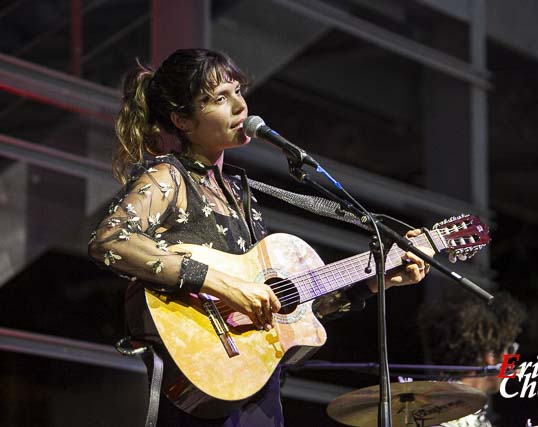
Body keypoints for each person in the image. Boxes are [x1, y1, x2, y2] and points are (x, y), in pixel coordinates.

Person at [88, 48, 433, 426]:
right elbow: (110, 241)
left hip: (256, 389)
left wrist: (375, 280)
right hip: (200, 382)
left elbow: (292, 313)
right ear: (182, 120)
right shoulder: (169, 177)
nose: (240, 106)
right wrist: (223, 285)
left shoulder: (240, 194)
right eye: (220, 98)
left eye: (238, 91)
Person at [417, 291, 526, 427]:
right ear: (491, 355)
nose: (512, 360)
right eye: (510, 350)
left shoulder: (441, 406)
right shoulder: (445, 416)